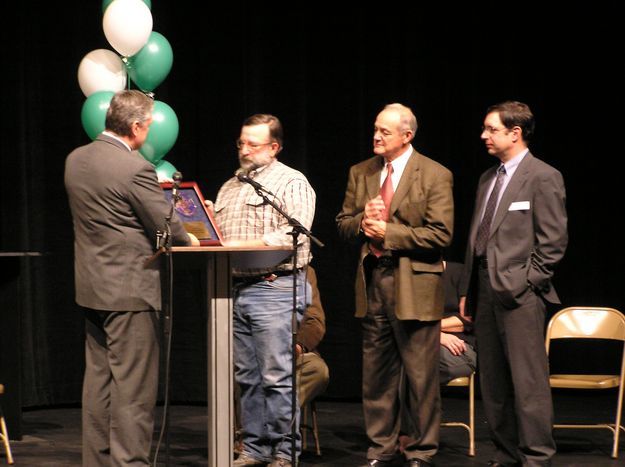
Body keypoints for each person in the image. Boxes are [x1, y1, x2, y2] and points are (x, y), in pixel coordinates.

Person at [64, 89, 198, 466]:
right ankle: (131, 463)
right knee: (134, 390)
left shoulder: (75, 160)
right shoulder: (133, 167)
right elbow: (167, 228)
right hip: (130, 293)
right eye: (149, 126)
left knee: (99, 383)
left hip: (91, 287)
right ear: (137, 126)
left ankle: (98, 460)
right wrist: (190, 230)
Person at [336, 103, 454, 467]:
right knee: (377, 376)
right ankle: (381, 449)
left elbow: (441, 233)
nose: (376, 136)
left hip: (415, 283)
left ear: (407, 136)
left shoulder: (434, 174)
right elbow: (342, 223)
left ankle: (420, 450)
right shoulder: (362, 172)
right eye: (375, 129)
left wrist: (390, 232)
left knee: (420, 377)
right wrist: (361, 222)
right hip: (375, 281)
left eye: (385, 132)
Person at [462, 100, 568, 467]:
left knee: (527, 383)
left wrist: (526, 282)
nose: (484, 135)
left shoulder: (543, 176)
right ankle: (505, 454)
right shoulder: (488, 178)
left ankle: (536, 456)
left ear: (515, 132)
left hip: (520, 294)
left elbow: (552, 242)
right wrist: (467, 289)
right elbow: (476, 236)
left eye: (491, 129)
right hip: (484, 288)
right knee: (493, 382)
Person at [213, 113, 316, 467]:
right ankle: (256, 448)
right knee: (247, 376)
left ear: (274, 147)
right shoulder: (230, 186)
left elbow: (294, 234)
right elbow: (221, 239)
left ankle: (286, 451)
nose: (244, 150)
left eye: (252, 144)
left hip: (275, 286)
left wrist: (247, 243)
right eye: (241, 142)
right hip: (236, 289)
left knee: (276, 375)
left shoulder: (291, 182)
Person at [233, 265, 330, 454]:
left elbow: (315, 320)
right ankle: (259, 435)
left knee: (317, 370)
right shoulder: (242, 271)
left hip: (291, 351)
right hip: (251, 352)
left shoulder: (304, 271)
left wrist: (297, 346)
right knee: (241, 371)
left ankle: (276, 427)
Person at [438, 260, 476, 384]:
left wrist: (430, 331)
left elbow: (466, 320)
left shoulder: (460, 272)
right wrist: (437, 336)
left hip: (458, 346)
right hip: (421, 343)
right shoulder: (408, 279)